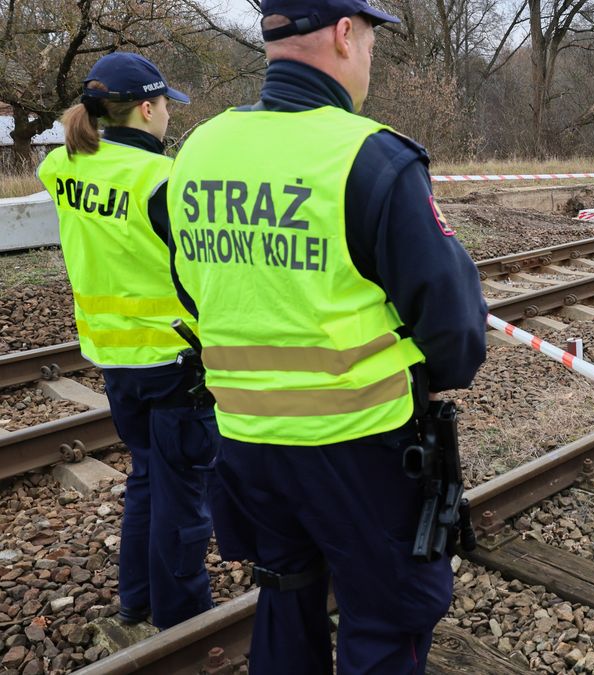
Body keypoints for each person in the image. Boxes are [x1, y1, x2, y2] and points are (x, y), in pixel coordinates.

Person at [164, 0, 488, 671]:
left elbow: (195, 285)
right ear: (344, 34)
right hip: (358, 447)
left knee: (286, 587)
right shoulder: (369, 157)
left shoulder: (198, 149)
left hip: (245, 439)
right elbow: (456, 332)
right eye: (370, 38)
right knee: (392, 608)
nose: (369, 53)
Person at [37, 52, 218, 628]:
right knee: (183, 495)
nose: (169, 116)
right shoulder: (162, 179)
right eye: (166, 106)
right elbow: (199, 271)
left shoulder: (64, 167)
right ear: (147, 108)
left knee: (147, 477)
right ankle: (183, 620)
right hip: (172, 359)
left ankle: (137, 599)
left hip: (112, 357)